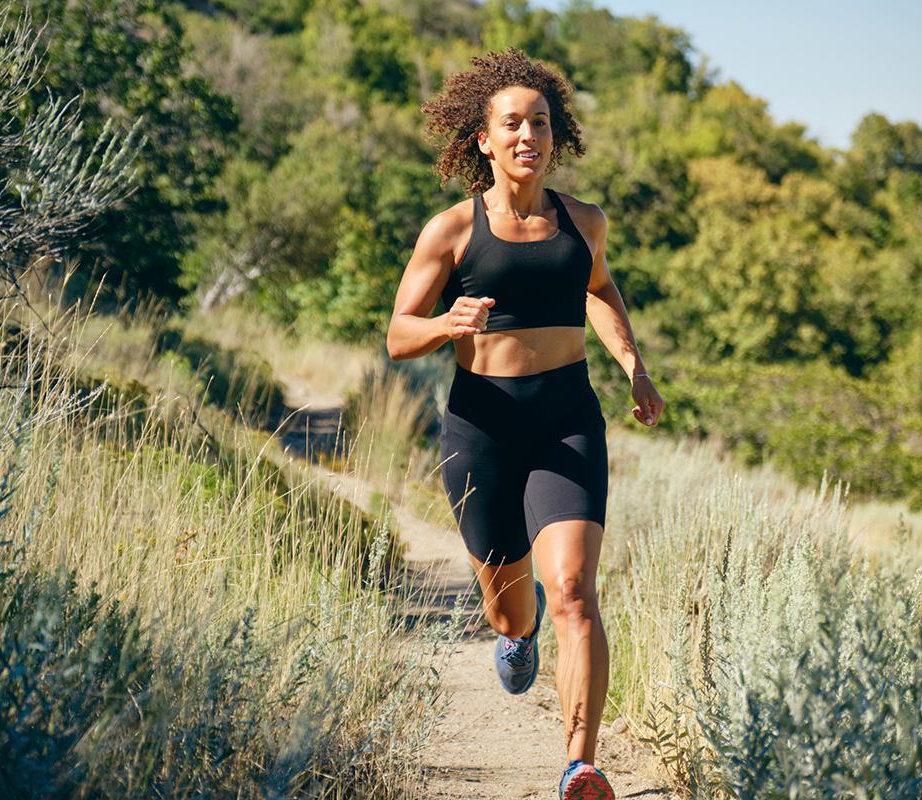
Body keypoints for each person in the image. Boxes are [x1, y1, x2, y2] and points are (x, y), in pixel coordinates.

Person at [386, 48, 665, 800]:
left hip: (567, 421)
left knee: (573, 587)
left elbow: (599, 288)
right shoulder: (450, 231)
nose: (527, 135)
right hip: (481, 429)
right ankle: (516, 634)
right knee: (510, 606)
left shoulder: (584, 222)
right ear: (483, 139)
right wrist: (448, 322)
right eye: (511, 123)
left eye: (539, 122)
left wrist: (632, 363)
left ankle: (581, 763)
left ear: (555, 134)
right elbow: (397, 334)